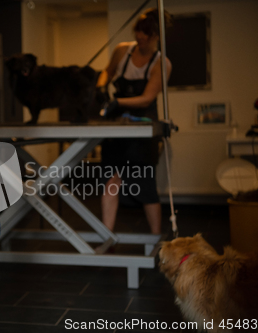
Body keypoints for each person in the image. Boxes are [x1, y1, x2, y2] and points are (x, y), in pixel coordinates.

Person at [97, 8, 172, 236]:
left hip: (142, 129)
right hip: (116, 127)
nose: (140, 37)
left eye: (146, 33)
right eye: (138, 31)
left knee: (146, 186)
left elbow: (147, 98)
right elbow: (106, 72)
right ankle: (107, 238)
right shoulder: (123, 51)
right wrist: (101, 87)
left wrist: (118, 101)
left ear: (156, 35)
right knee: (110, 181)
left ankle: (156, 239)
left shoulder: (162, 63)